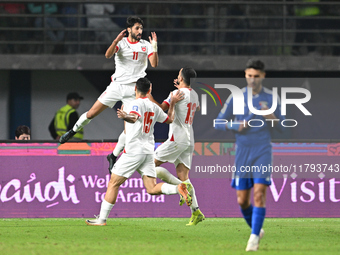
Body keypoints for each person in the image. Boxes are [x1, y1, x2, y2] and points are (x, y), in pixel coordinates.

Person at [86, 77, 192, 226]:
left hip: (134, 151)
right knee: (152, 188)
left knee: (113, 183)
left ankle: (101, 220)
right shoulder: (154, 107)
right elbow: (170, 119)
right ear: (149, 90)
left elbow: (134, 117)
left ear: (135, 89)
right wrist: (173, 103)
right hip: (148, 151)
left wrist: (125, 116)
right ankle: (178, 187)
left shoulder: (134, 104)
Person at [59, 16, 159, 170]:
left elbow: (154, 64)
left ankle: (113, 155)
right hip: (117, 87)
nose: (140, 31)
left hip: (134, 91)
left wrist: (155, 46)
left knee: (130, 130)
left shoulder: (145, 45)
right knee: (92, 113)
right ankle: (72, 131)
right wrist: (115, 41)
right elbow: (107, 55)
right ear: (129, 29)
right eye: (137, 28)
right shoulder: (122, 43)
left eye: (141, 28)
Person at [214, 59, 284, 251]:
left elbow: (284, 126)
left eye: (256, 76)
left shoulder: (271, 98)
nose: (252, 79)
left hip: (262, 150)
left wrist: (270, 116)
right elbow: (218, 123)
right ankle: (256, 228)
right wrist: (235, 125)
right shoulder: (236, 98)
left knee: (259, 194)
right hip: (242, 152)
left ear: (263, 76)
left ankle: (253, 237)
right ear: (246, 75)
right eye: (249, 76)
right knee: (242, 200)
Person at [147, 67, 205, 226]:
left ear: (181, 78)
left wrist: (149, 97)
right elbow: (197, 108)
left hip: (177, 137)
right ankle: (196, 211)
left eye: (178, 75)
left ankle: (179, 189)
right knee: (183, 176)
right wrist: (181, 87)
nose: (177, 76)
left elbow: (160, 109)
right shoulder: (194, 94)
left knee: (150, 165)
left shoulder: (175, 94)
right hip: (189, 138)